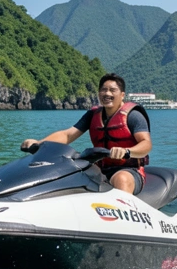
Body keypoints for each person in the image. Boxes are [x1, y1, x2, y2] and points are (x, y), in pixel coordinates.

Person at [20, 73, 151, 194]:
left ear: (122, 95)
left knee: (121, 179)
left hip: (129, 170)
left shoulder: (133, 116)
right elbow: (68, 135)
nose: (107, 93)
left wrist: (127, 151)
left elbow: (146, 143)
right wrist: (39, 144)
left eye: (112, 90)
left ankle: (123, 214)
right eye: (103, 90)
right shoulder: (93, 115)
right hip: (99, 169)